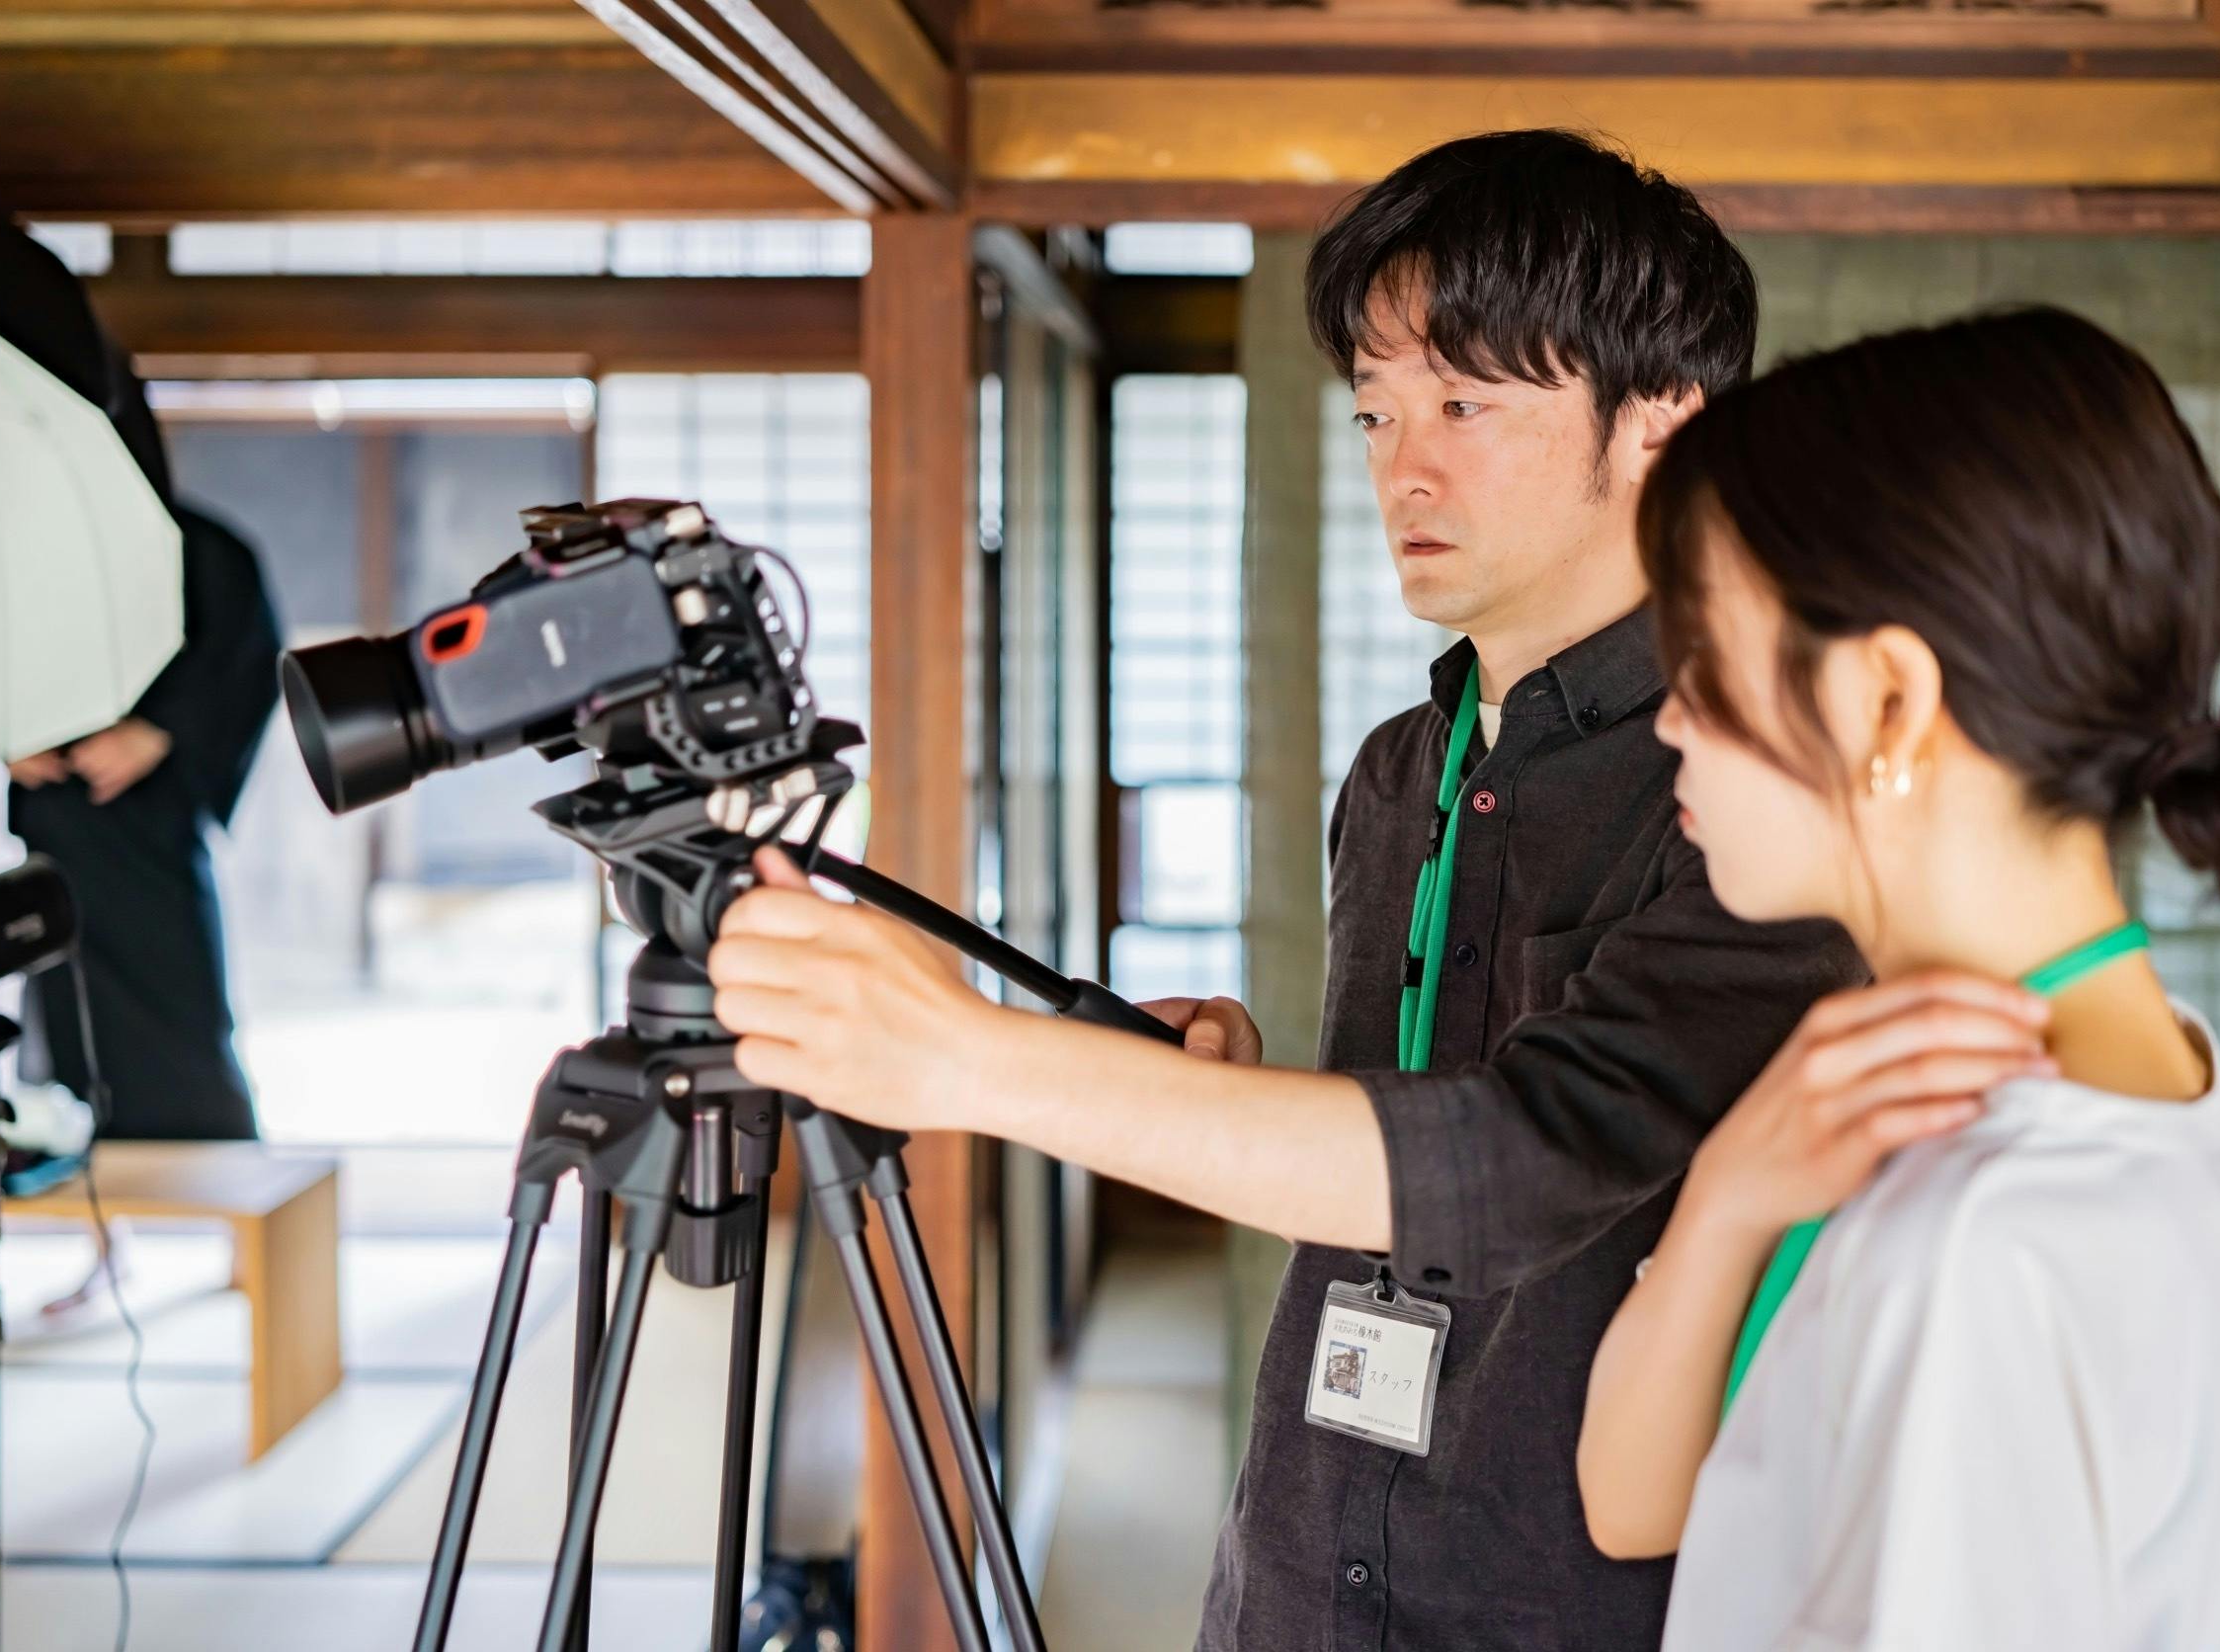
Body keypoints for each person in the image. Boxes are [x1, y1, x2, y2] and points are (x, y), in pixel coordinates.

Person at [702, 130, 1987, 1651]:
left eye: (1465, 404)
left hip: (1568, 1603)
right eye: (1378, 409)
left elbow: (1529, 1155)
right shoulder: (1397, 769)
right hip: (1296, 1572)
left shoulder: (1762, 791)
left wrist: (973, 1061)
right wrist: (1219, 1094)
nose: (1402, 465)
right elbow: (1412, 1126)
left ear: (1662, 424)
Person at [1572, 306, 2220, 1648]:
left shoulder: (1984, 1241)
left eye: (1701, 660)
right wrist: (1727, 1199)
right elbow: (1638, 1506)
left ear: (1887, 703)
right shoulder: (2150, 1094)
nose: (1670, 718)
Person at [9, 500, 280, 1143]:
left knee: (183, 1018)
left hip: (152, 832)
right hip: (58, 829)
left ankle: (218, 1168)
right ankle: (93, 1174)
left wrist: (161, 731)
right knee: (73, 1024)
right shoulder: (22, 544)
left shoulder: (199, 546)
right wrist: (3, 733)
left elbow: (245, 653)